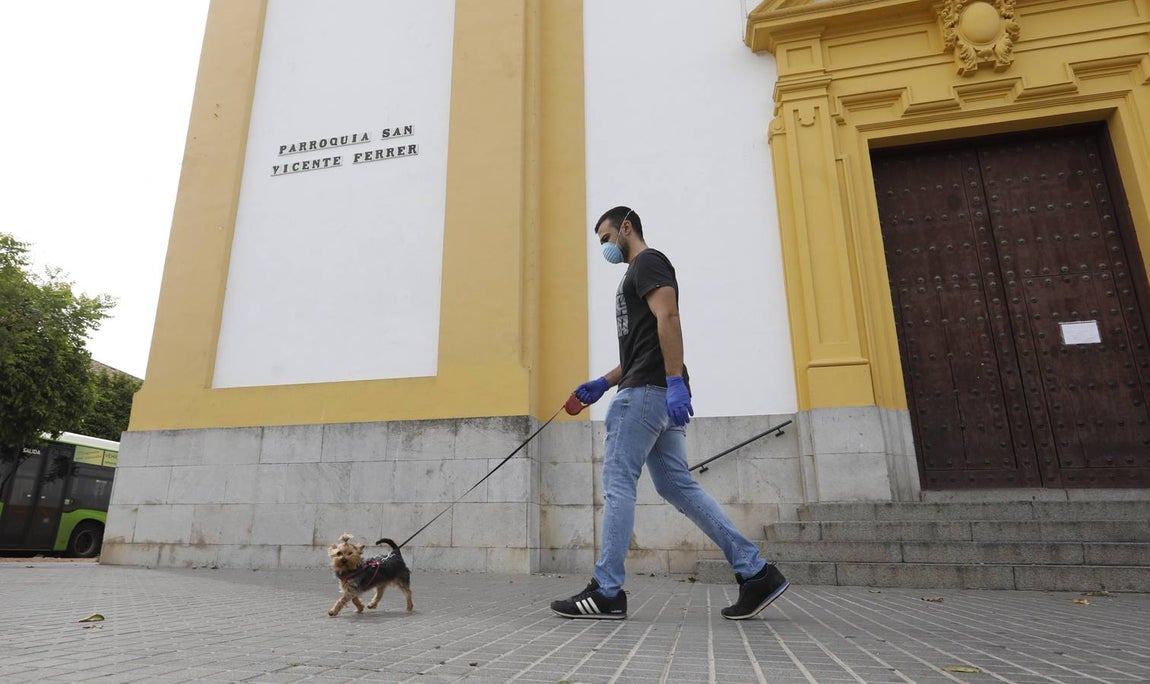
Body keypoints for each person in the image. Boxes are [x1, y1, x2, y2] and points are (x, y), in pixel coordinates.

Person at [550, 206, 790, 621]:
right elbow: (645, 344)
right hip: (650, 389)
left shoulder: (648, 262)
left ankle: (607, 591)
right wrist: (603, 383)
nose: (604, 248)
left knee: (618, 484)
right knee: (678, 487)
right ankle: (756, 573)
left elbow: (669, 317)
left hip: (646, 394)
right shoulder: (636, 273)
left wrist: (675, 379)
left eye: (606, 238)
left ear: (626, 227)